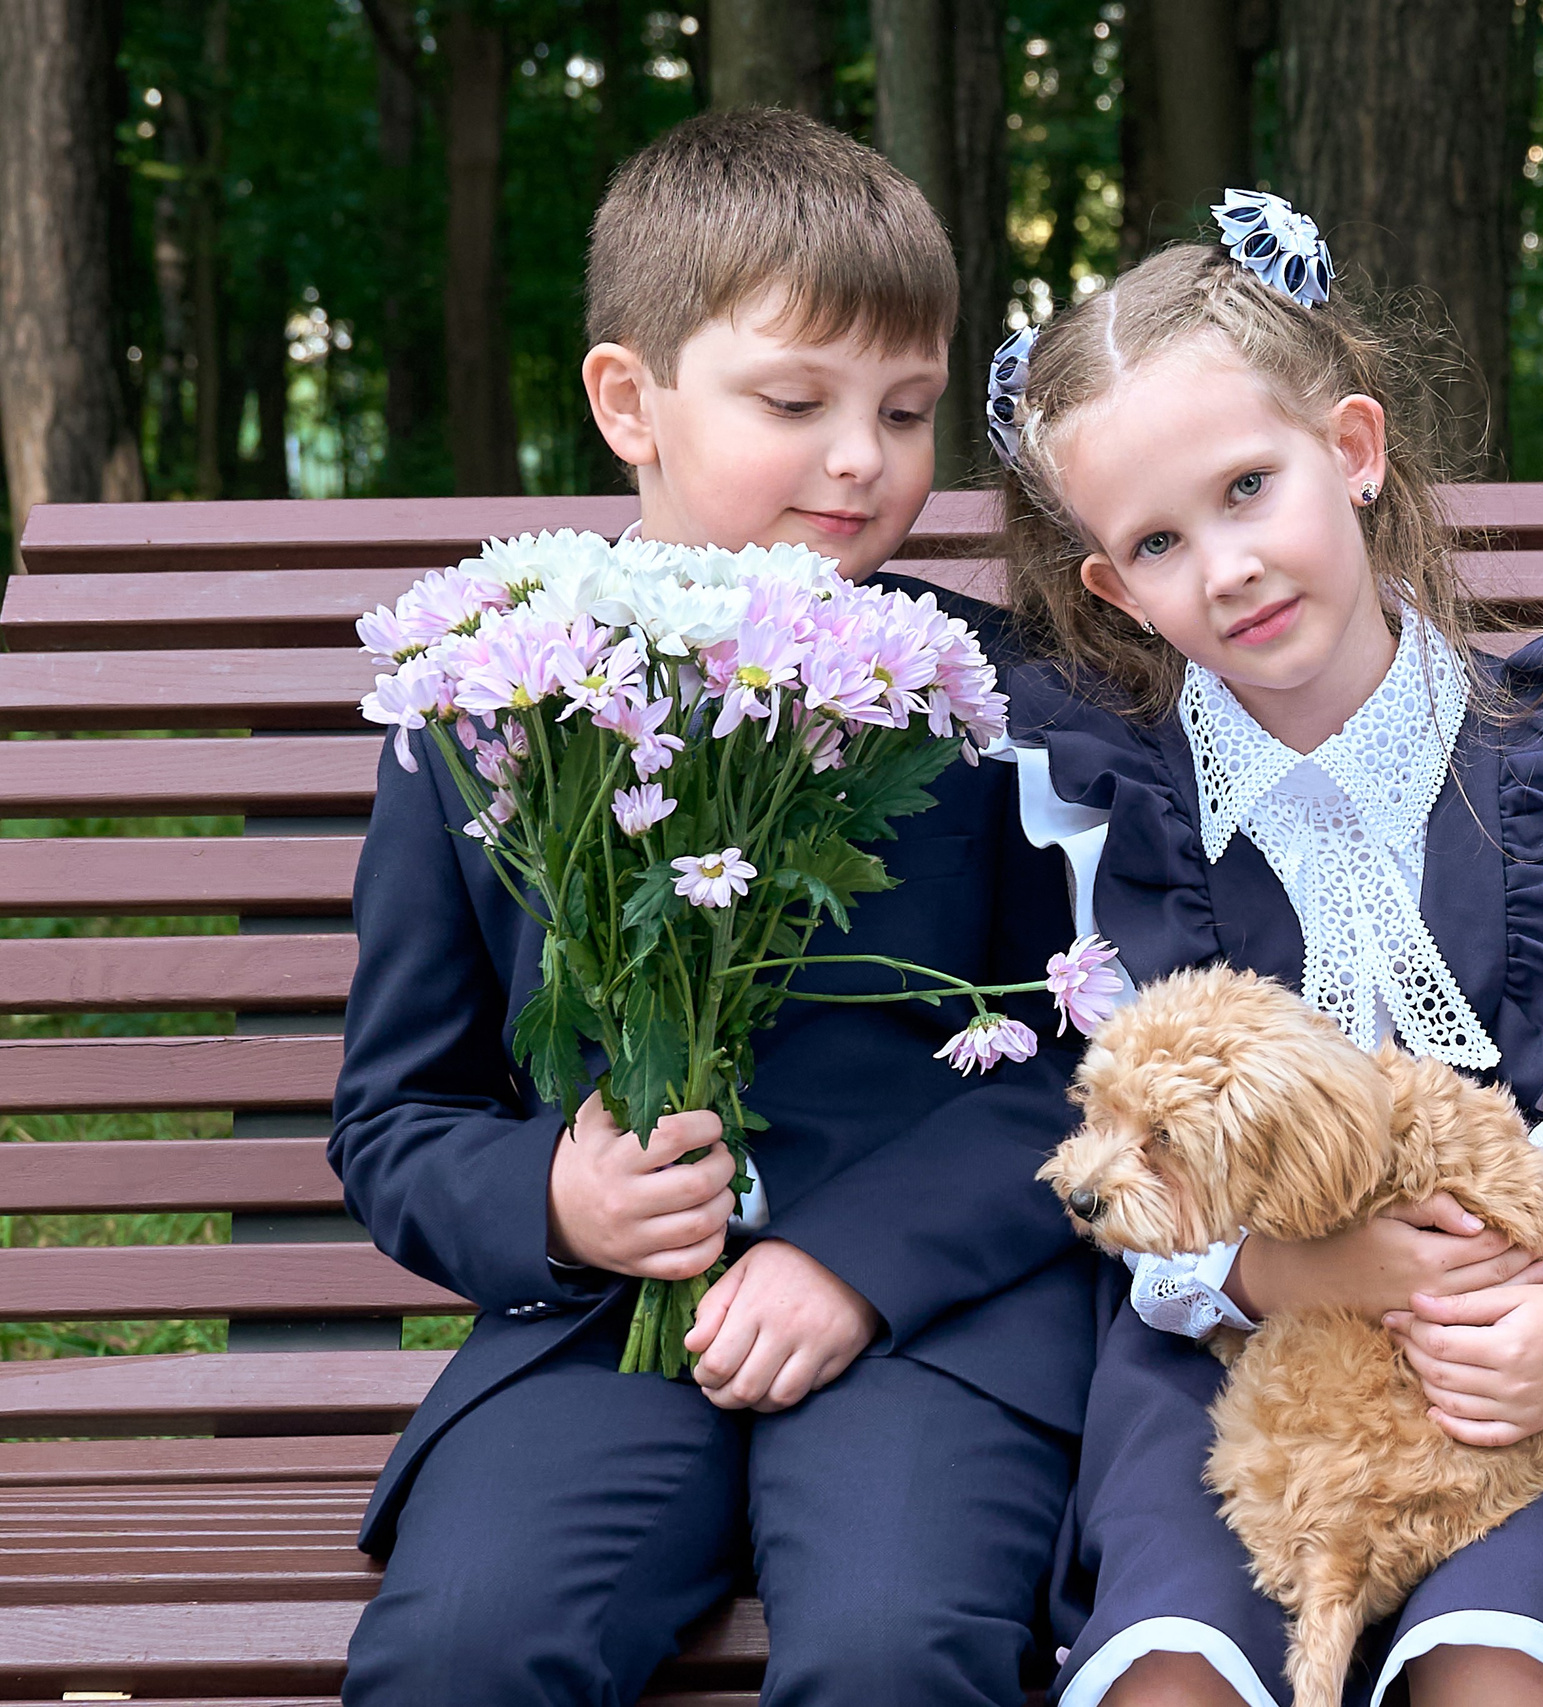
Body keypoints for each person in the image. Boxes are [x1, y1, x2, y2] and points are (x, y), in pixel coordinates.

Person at [332, 109, 1094, 1706]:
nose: (861, 457)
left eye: (906, 410)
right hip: (598, 1332)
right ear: (631, 401)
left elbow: (1088, 1059)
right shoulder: (485, 708)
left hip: (923, 1322)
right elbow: (401, 1113)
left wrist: (860, 1261)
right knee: (465, 1650)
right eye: (795, 402)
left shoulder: (995, 700)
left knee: (894, 1652)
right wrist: (556, 1198)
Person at [991, 191, 1543, 1707]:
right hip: (1239, 1344)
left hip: (1536, 1326)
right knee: (1181, 1675)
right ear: (1114, 588)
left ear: (1352, 449)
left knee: (1498, 1669)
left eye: (1249, 488)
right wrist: (1283, 1266)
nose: (1227, 566)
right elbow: (1134, 1155)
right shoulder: (1124, 819)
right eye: (1159, 541)